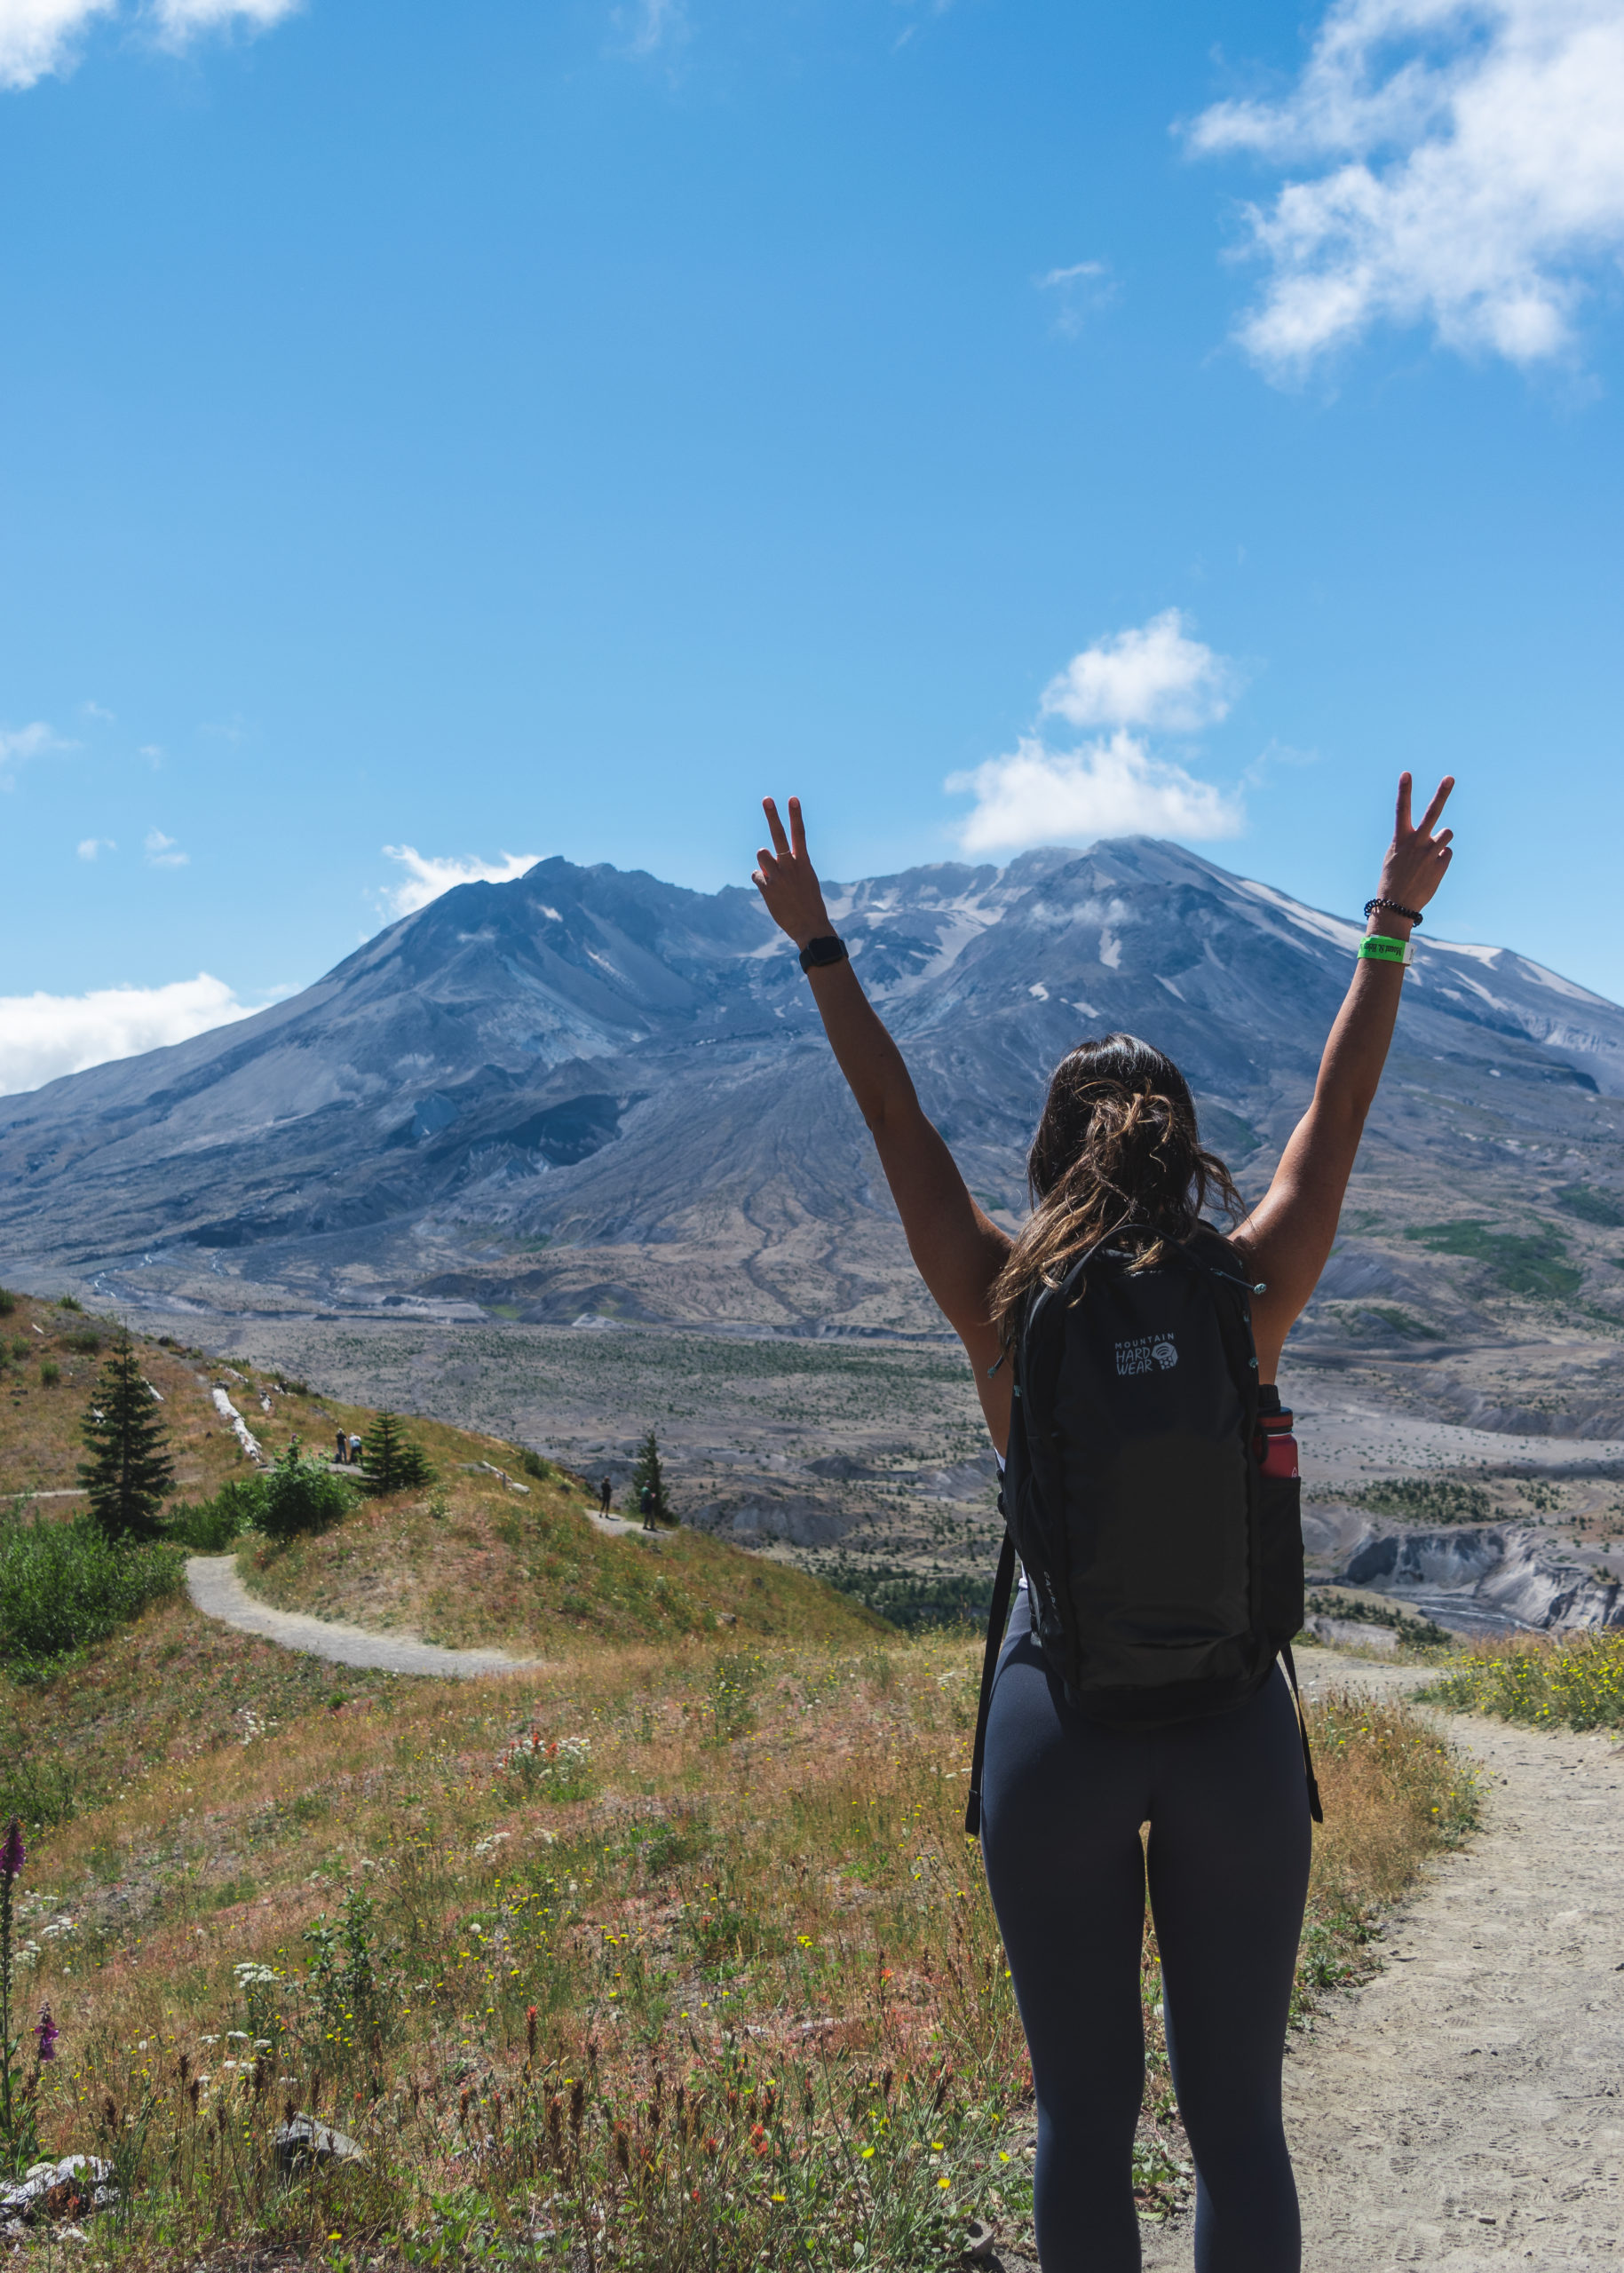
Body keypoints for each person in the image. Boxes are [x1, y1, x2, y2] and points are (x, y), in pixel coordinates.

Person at [751, 777, 1454, 2273]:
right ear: (1178, 1141)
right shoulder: (1248, 1287)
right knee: (1237, 2126)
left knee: (1082, 2114)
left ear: (1047, 1154)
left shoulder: (999, 1295)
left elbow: (890, 1114)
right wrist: (1388, 922)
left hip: (1053, 1727)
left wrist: (821, 946)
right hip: (1232, 1733)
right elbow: (1337, 1113)